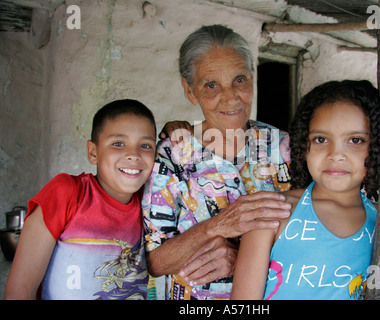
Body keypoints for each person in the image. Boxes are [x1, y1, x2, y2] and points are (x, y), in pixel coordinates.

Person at [142, 25, 292, 300]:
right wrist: (216, 226)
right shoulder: (173, 155)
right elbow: (155, 263)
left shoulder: (283, 148)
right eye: (211, 85)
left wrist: (244, 258)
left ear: (252, 77)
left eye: (239, 80)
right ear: (189, 90)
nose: (231, 97)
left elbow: (312, 236)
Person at [231, 80, 380, 300]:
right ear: (304, 145)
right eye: (321, 139)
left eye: (356, 140)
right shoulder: (272, 212)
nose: (335, 154)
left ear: (377, 147)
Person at [4, 99, 157, 300]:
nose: (134, 155)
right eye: (118, 143)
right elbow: (19, 291)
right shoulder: (68, 193)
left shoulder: (150, 203)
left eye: (145, 145)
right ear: (93, 152)